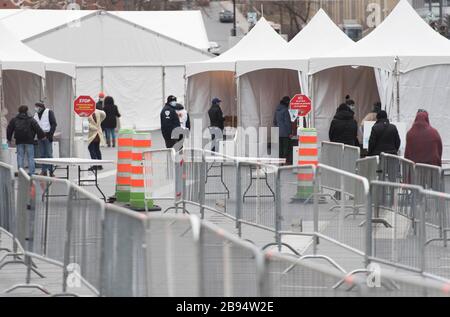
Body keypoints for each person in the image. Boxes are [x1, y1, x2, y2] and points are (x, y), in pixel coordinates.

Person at [6, 105, 45, 175]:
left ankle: (21, 173)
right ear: (27, 111)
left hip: (19, 141)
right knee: (30, 157)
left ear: (19, 111)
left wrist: (9, 139)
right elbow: (37, 128)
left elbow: (9, 129)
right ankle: (32, 173)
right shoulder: (31, 119)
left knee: (20, 157)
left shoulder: (14, 119)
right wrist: (42, 136)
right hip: (29, 141)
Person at [33, 101, 57, 176]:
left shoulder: (49, 112)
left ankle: (51, 171)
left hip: (47, 135)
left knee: (49, 154)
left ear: (41, 107)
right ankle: (44, 171)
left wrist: (50, 134)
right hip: (40, 136)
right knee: (42, 155)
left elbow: (54, 123)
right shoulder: (36, 114)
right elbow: (34, 125)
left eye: (37, 107)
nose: (36, 108)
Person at [273, 96, 292, 163]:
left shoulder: (277, 110)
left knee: (280, 148)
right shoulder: (285, 110)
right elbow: (287, 123)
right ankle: (285, 162)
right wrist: (290, 132)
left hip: (278, 132)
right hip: (285, 133)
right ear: (287, 102)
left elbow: (274, 121)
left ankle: (280, 162)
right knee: (286, 148)